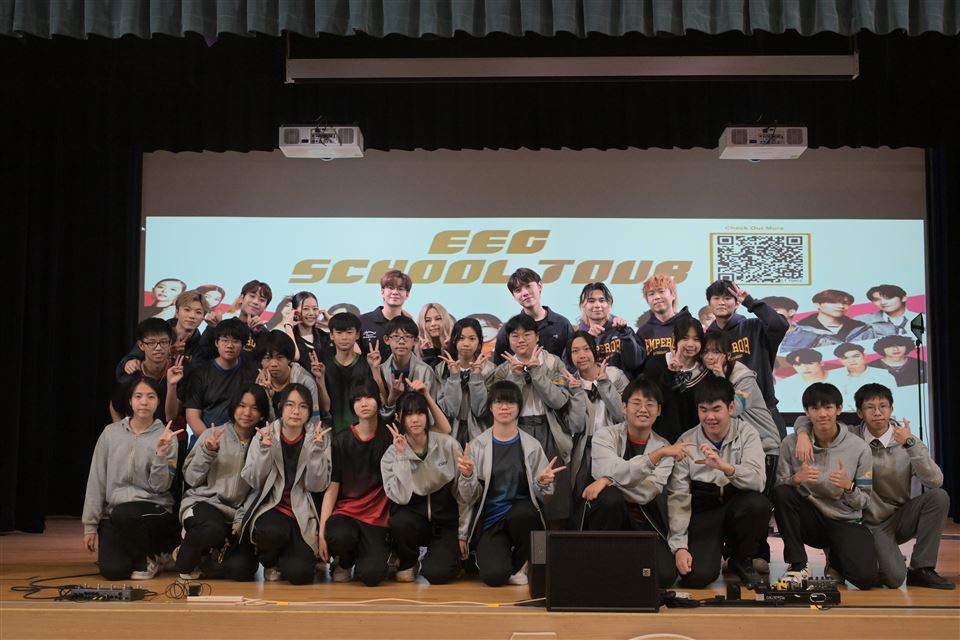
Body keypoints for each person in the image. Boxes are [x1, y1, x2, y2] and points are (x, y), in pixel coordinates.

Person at [792, 383, 953, 590]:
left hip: (897, 518)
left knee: (939, 497)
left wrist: (910, 445)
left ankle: (921, 568)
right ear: (859, 412)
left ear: (891, 409)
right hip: (861, 522)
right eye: (870, 407)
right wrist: (803, 434)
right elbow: (809, 419)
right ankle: (844, 557)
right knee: (894, 579)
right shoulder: (849, 437)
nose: (877, 413)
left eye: (883, 406)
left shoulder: (907, 440)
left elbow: (935, 481)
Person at [666, 376, 770, 589]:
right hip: (704, 510)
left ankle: (740, 558)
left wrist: (726, 467)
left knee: (758, 505)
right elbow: (678, 498)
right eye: (703, 410)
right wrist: (679, 547)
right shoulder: (686, 442)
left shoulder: (747, 434)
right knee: (696, 577)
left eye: (716, 409)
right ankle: (710, 555)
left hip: (736, 505)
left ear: (731, 408)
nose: (710, 417)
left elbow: (758, 481)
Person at [582, 378, 687, 588]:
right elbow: (604, 469)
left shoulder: (665, 447)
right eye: (636, 403)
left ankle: (622, 570)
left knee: (665, 577)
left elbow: (647, 493)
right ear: (624, 407)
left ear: (659, 410)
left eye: (650, 404)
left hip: (644, 521)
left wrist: (608, 480)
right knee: (610, 498)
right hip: (609, 520)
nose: (643, 409)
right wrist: (654, 458)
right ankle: (601, 564)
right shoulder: (605, 436)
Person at [457, 381, 563, 587]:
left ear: (519, 408)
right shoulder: (477, 446)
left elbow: (546, 497)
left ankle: (522, 563)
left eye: (510, 403)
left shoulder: (531, 446)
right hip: (491, 522)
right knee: (494, 577)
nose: (504, 407)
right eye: (498, 402)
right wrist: (468, 476)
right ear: (490, 407)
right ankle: (500, 559)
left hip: (521, 518)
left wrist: (542, 484)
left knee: (524, 513)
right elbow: (468, 498)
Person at [773, 383, 878, 590]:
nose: (822, 414)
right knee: (782, 493)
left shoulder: (859, 447)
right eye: (815, 408)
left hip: (844, 520)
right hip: (810, 519)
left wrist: (848, 487)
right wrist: (796, 479)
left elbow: (864, 501)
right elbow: (778, 487)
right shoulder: (791, 443)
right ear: (806, 412)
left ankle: (836, 558)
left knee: (865, 579)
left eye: (828, 407)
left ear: (839, 409)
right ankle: (798, 564)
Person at [82, 378, 182, 580]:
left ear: (158, 401)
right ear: (130, 401)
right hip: (115, 513)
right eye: (138, 396)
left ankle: (149, 558)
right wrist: (90, 526)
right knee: (114, 571)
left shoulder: (167, 436)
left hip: (153, 508)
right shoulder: (110, 433)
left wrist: (160, 454)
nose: (144, 402)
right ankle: (154, 556)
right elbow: (96, 480)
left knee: (125, 513)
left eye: (151, 396)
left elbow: (161, 486)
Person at [494, 313, 584, 522]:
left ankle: (554, 536)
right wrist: (516, 376)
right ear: (508, 340)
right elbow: (504, 407)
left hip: (549, 430)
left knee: (555, 494)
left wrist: (536, 372)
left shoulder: (553, 363)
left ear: (537, 337)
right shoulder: (503, 370)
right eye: (515, 336)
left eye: (527, 334)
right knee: (521, 491)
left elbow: (558, 401)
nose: (521, 340)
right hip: (517, 432)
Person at [239, 384, 332, 584]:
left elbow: (317, 486)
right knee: (270, 533)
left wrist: (316, 452)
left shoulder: (318, 437)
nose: (296, 411)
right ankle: (271, 562)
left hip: (302, 511)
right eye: (290, 405)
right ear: (281, 407)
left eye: (302, 406)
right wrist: (264, 451)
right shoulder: (265, 433)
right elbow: (254, 480)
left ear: (309, 411)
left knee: (300, 575)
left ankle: (291, 558)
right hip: (272, 507)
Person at [174, 385, 268, 580]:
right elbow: (191, 478)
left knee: (243, 569)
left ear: (261, 414)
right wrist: (208, 453)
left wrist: (242, 518)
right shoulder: (213, 434)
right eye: (242, 405)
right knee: (212, 530)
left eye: (254, 408)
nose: (247, 413)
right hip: (203, 504)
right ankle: (186, 555)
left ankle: (209, 557)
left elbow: (259, 489)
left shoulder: (263, 442)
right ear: (233, 407)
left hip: (236, 514)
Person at [381, 391, 464, 584]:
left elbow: (464, 496)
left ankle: (451, 560)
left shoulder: (448, 444)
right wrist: (401, 456)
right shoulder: (391, 454)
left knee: (436, 574)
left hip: (445, 522)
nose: (415, 419)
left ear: (427, 416)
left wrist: (463, 533)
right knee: (399, 522)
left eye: (420, 413)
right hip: (415, 520)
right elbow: (401, 498)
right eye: (409, 414)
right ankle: (409, 561)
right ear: (398, 418)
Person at [319, 381, 393, 586]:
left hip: (377, 519)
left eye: (368, 397)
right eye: (358, 399)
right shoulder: (341, 440)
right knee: (337, 534)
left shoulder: (390, 437)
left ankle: (369, 558)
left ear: (378, 399)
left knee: (371, 576)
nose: (364, 403)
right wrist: (322, 534)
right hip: (347, 514)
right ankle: (344, 561)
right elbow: (332, 487)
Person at [704, 280, 790, 438]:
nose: (721, 302)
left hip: (763, 410)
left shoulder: (755, 327)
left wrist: (750, 301)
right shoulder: (707, 339)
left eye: (727, 298)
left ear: (737, 303)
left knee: (775, 453)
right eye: (716, 298)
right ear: (709, 304)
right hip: (726, 414)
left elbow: (779, 325)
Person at [563, 330, 628, 525]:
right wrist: (576, 393)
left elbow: (623, 415)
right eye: (575, 351)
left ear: (594, 351)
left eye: (586, 349)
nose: (581, 355)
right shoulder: (570, 382)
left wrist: (605, 384)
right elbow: (575, 426)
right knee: (581, 498)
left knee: (611, 498)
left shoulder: (615, 375)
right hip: (584, 448)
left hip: (613, 447)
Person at [183, 318, 260, 441]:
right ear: (216, 342)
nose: (229, 346)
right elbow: (192, 416)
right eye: (224, 340)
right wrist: (211, 440)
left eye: (235, 341)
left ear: (243, 345)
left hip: (241, 442)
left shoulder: (252, 371)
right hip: (206, 439)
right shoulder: (200, 373)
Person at [641, 317, 710, 444]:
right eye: (685, 338)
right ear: (674, 338)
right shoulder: (656, 364)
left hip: (697, 442)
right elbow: (653, 403)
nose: (690, 344)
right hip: (660, 441)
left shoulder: (705, 370)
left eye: (696, 339)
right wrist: (671, 373)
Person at [117, 289, 208, 381]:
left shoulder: (200, 345)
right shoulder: (157, 331)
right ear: (177, 313)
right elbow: (129, 360)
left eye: (198, 312)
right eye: (187, 310)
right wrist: (128, 363)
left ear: (203, 317)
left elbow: (196, 379)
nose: (192, 316)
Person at [492, 268, 573, 364]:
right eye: (518, 290)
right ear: (514, 296)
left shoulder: (562, 324)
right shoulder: (508, 329)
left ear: (540, 286)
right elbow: (498, 366)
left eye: (528, 286)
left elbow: (572, 361)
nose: (525, 293)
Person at [436, 317, 495, 446]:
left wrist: (476, 377)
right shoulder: (441, 369)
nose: (466, 344)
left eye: (472, 339)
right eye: (461, 338)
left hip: (479, 434)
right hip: (449, 435)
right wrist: (454, 376)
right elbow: (450, 410)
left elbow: (480, 410)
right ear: (454, 340)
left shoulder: (489, 370)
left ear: (479, 342)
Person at [110, 318, 177, 424]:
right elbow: (115, 407)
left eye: (164, 342)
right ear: (141, 345)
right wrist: (121, 430)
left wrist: (172, 385)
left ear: (170, 343)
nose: (158, 348)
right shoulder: (129, 378)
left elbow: (171, 416)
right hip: (137, 432)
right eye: (151, 343)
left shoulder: (179, 372)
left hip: (171, 431)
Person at [321, 312, 378, 434]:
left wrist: (375, 369)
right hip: (334, 432)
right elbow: (325, 407)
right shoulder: (324, 367)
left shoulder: (366, 363)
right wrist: (320, 380)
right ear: (331, 335)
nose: (344, 337)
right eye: (339, 333)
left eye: (349, 332)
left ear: (357, 335)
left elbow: (379, 399)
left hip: (363, 432)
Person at [574, 282, 645, 379]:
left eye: (602, 300)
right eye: (591, 301)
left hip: (622, 386)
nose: (597, 305)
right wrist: (588, 339)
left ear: (609, 305)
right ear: (583, 306)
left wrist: (625, 334)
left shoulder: (623, 330)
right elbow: (571, 368)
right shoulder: (577, 337)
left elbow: (635, 363)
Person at [256, 331, 327, 422]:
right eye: (267, 358)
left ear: (289, 358)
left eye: (279, 357)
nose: (274, 364)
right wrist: (267, 397)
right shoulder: (258, 383)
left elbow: (313, 421)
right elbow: (260, 423)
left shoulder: (304, 381)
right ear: (261, 361)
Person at [378, 316, 442, 412]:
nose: (401, 342)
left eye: (407, 336)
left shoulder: (425, 371)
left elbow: (431, 410)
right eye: (396, 336)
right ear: (387, 339)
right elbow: (379, 412)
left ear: (415, 340)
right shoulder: (380, 370)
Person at [199, 280, 274, 357]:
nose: (255, 302)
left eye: (261, 300)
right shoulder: (224, 326)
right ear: (241, 298)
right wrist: (212, 328)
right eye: (252, 296)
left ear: (266, 306)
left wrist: (257, 335)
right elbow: (204, 352)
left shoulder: (266, 335)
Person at [780, 289, 874, 351]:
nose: (841, 306)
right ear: (817, 304)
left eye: (846, 303)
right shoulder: (798, 329)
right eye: (833, 302)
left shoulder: (862, 328)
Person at [360, 269, 414, 360]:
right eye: (391, 288)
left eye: (400, 289)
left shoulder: (411, 325)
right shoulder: (363, 321)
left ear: (407, 294)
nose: (395, 292)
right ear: (382, 291)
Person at [636, 273, 693, 357]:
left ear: (673, 295)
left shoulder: (689, 325)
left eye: (661, 291)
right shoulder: (643, 332)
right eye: (651, 294)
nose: (657, 297)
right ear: (647, 300)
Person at [828, 342, 895, 411]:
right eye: (845, 358)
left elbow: (892, 400)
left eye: (856, 356)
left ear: (864, 355)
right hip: (845, 414)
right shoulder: (834, 377)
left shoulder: (883, 375)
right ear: (840, 360)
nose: (852, 360)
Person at [280, 291, 333, 374]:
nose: (311, 313)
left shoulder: (325, 336)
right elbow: (295, 356)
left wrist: (333, 324)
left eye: (315, 309)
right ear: (294, 312)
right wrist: (288, 325)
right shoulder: (287, 337)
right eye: (306, 309)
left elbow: (353, 351)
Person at [416, 302, 455, 369]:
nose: (433, 324)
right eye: (427, 320)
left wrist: (451, 349)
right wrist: (428, 353)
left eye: (438, 319)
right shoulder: (416, 349)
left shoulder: (456, 345)